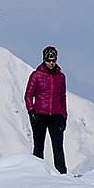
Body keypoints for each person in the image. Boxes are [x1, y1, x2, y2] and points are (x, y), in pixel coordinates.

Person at [24, 45, 68, 174]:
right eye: (49, 60)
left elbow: (63, 97)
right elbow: (28, 95)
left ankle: (62, 174)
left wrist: (64, 116)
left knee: (58, 146)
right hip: (39, 114)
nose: (51, 63)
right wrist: (31, 111)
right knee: (38, 146)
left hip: (56, 115)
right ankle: (37, 174)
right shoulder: (36, 75)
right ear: (44, 60)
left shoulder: (61, 77)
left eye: (53, 60)